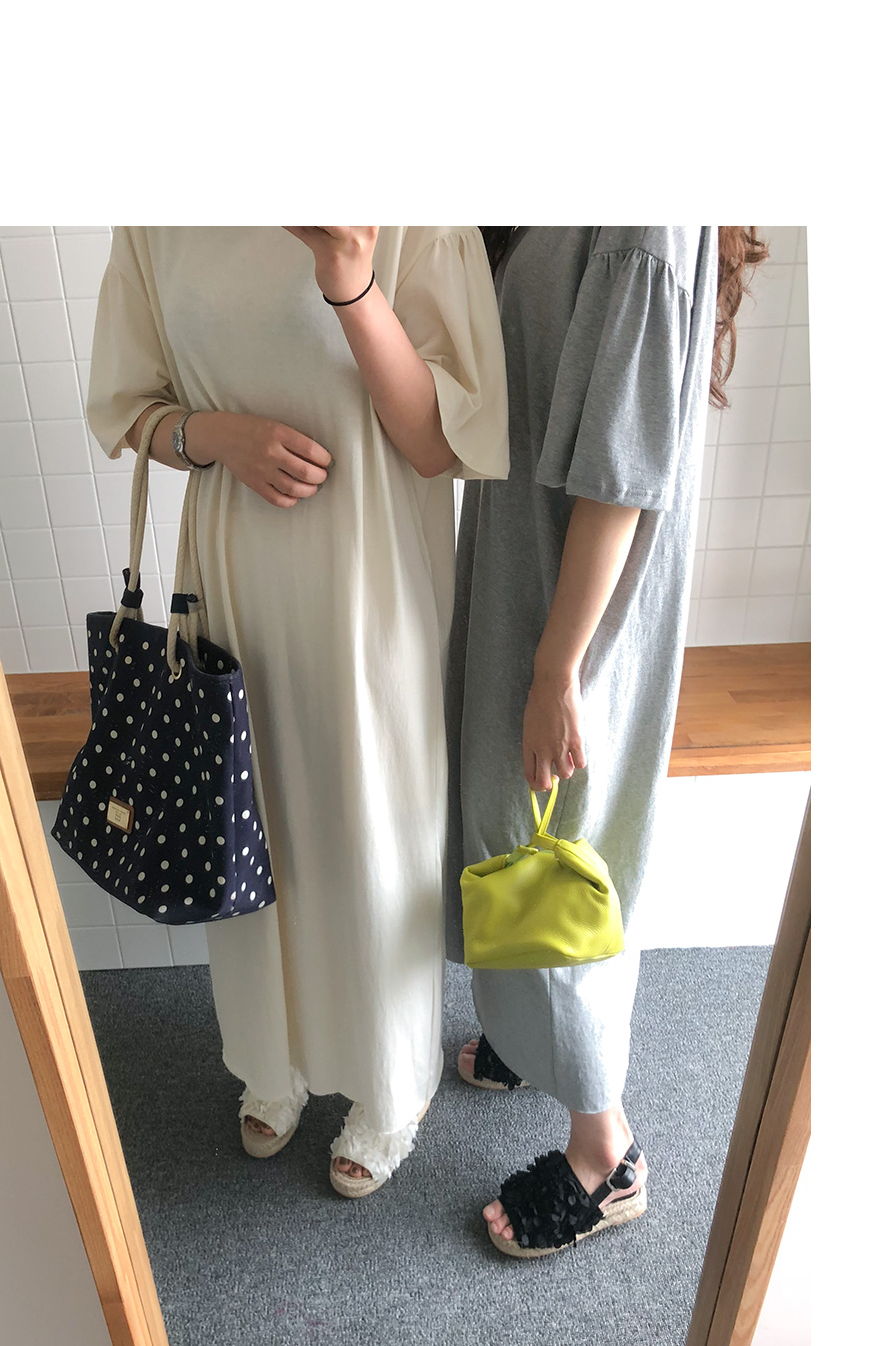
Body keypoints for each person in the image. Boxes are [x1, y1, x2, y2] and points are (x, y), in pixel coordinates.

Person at [86, 226, 508, 1196]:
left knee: (370, 827)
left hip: (370, 578)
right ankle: (270, 1057)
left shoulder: (406, 202)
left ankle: (388, 1084)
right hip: (233, 574)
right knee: (248, 818)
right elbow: (127, 405)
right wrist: (214, 436)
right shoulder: (159, 211)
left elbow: (443, 439)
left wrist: (350, 280)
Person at [444, 226, 767, 1257]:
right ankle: (525, 1032)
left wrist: (558, 668)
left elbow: (621, 474)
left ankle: (605, 1150)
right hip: (532, 566)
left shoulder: (642, 211)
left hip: (572, 599)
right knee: (509, 823)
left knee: (556, 849)